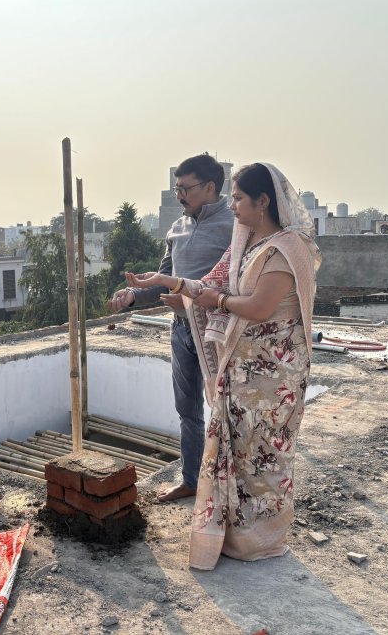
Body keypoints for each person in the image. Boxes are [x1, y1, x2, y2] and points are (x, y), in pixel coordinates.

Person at [126, 162, 320, 570]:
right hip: (239, 369)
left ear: (263, 202)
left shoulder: (287, 248)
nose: (231, 206)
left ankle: (260, 540)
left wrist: (219, 303)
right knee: (235, 451)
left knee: (264, 456)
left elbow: (260, 307)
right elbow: (208, 284)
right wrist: (168, 283)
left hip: (273, 377)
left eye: (237, 198)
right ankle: (230, 534)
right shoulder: (244, 244)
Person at [107, 154, 233, 502]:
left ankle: (230, 483)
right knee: (187, 410)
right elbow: (163, 280)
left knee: (228, 409)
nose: (179, 195)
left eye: (184, 188)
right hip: (180, 331)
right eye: (176, 188)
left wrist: (195, 300)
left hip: (219, 333)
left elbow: (240, 287)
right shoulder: (177, 227)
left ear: (209, 187)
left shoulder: (235, 227)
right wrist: (133, 294)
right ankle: (191, 479)